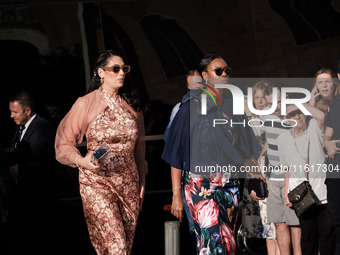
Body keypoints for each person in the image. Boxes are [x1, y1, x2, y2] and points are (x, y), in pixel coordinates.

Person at [162, 53, 262, 254]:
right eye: (219, 71)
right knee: (212, 241)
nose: (224, 74)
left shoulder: (233, 106)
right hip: (200, 186)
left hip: (230, 184)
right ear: (205, 75)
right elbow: (176, 153)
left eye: (227, 71)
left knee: (228, 243)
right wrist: (176, 195)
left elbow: (245, 147)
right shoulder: (189, 107)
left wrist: (255, 177)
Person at [55, 50, 147, 255]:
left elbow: (139, 150)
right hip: (96, 184)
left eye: (124, 68)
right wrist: (81, 161)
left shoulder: (132, 105)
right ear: (100, 72)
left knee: (122, 246)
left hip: (128, 185)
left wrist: (141, 182)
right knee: (117, 247)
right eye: (115, 68)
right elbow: (63, 144)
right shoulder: (85, 103)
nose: (121, 72)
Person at [280, 105, 335, 255]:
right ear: (286, 119)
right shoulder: (283, 139)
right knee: (308, 234)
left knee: (326, 234)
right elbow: (287, 168)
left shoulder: (313, 129)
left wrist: (300, 104)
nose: (297, 117)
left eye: (299, 113)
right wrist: (286, 193)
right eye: (292, 114)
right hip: (301, 194)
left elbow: (321, 116)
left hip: (321, 191)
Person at [8, 90, 57, 255]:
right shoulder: (21, 129)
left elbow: (49, 162)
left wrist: (22, 169)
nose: (11, 116)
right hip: (25, 198)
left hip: (39, 201)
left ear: (27, 111)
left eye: (15, 112)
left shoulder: (43, 128)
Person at [257, 85, 302, 255]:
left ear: (287, 97)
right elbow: (266, 142)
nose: (275, 107)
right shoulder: (267, 118)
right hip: (272, 179)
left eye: (279, 102)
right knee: (278, 224)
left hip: (292, 180)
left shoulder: (296, 118)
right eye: (271, 104)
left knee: (295, 224)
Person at [163, 69, 201, 254]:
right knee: (196, 229)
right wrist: (176, 193)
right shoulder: (181, 109)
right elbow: (172, 145)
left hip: (216, 176)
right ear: (188, 86)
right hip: (191, 175)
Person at [242, 80, 280, 255]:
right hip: (256, 170)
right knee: (263, 220)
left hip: (268, 168)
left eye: (261, 97)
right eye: (255, 98)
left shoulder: (268, 117)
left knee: (273, 220)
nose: (259, 101)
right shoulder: (251, 119)